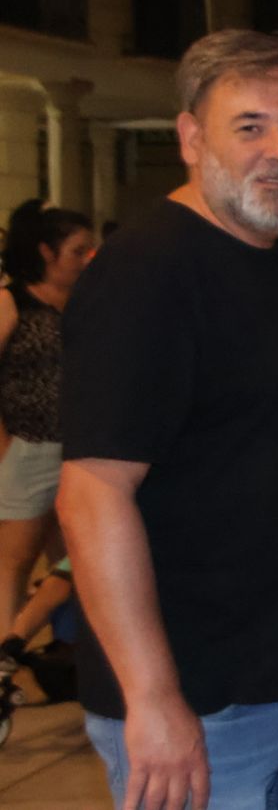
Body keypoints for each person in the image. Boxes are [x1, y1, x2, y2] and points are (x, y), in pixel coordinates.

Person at [57, 29, 278, 810]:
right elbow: (91, 494)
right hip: (202, 706)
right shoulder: (144, 274)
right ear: (191, 138)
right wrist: (152, 696)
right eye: (249, 126)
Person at [0, 201, 92, 644]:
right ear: (46, 252)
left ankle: (65, 648)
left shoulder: (84, 302)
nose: (87, 258)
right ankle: (5, 653)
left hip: (80, 448)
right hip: (30, 447)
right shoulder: (11, 301)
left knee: (73, 559)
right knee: (15, 559)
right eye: (77, 251)